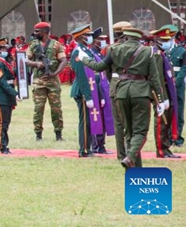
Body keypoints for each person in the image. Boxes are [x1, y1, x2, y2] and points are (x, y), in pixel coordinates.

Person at [78, 27, 166, 169]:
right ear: (139, 39)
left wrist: (84, 59)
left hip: (121, 93)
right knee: (141, 131)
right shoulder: (147, 51)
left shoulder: (114, 50)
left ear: (125, 37)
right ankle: (130, 157)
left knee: (129, 132)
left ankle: (135, 168)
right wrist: (160, 99)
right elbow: (155, 78)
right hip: (141, 92)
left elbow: (99, 66)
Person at [26, 22, 67, 141]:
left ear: (44, 32)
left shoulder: (56, 45)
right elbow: (26, 60)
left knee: (56, 109)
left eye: (37, 31)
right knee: (38, 109)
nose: (35, 33)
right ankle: (38, 134)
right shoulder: (33, 45)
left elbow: (63, 61)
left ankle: (58, 134)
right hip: (38, 82)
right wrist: (37, 64)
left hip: (53, 82)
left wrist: (54, 73)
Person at [149, 26, 180, 158]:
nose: (167, 42)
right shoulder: (156, 55)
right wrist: (163, 97)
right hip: (161, 91)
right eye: (164, 39)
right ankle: (161, 149)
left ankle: (166, 148)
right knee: (161, 121)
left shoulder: (162, 54)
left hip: (167, 90)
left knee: (167, 121)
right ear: (157, 40)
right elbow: (157, 78)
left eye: (168, 39)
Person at [68, 25, 95, 157]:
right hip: (82, 90)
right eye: (87, 35)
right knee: (85, 122)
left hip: (87, 89)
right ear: (80, 37)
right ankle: (84, 150)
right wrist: (87, 95)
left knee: (88, 121)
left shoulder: (85, 50)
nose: (90, 37)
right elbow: (81, 75)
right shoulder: (78, 52)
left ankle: (88, 147)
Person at [170, 30, 186, 147]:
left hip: (178, 85)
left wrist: (177, 81)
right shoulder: (164, 51)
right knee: (168, 111)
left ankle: (177, 137)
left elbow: (184, 68)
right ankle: (168, 137)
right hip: (166, 84)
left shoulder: (182, 51)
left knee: (179, 111)